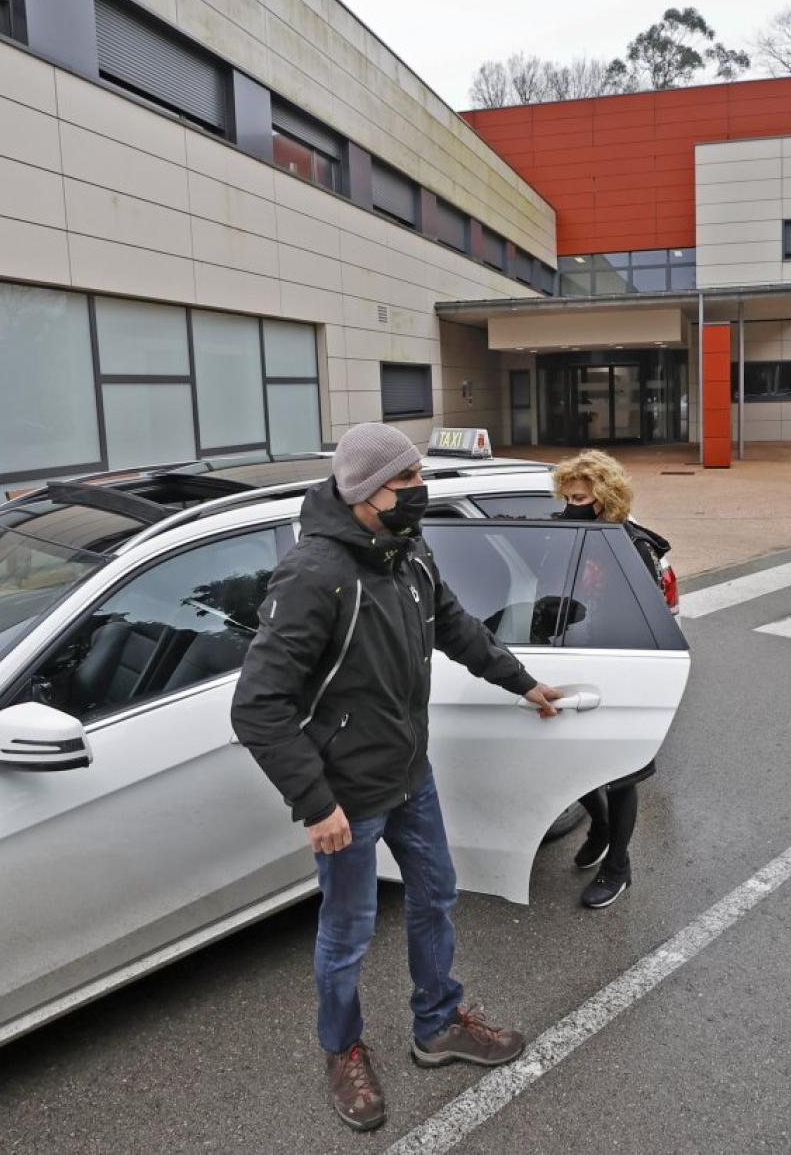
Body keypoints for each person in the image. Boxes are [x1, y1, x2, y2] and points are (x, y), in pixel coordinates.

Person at [231, 422, 565, 1133]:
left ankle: (437, 1025)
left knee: (435, 897)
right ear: (361, 493)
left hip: (411, 775)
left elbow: (456, 625)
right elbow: (257, 706)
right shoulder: (314, 576)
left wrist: (523, 682)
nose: (420, 490)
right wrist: (315, 802)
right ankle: (342, 1049)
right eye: (405, 481)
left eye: (418, 475)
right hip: (345, 799)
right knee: (346, 934)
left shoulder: (406, 552)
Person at [550, 449, 671, 910]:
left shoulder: (631, 546)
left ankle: (618, 865)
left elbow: (646, 615)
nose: (570, 503)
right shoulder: (570, 533)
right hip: (571, 657)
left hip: (620, 664)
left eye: (579, 497)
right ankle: (598, 826)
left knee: (622, 773)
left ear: (604, 497)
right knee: (574, 762)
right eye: (566, 495)